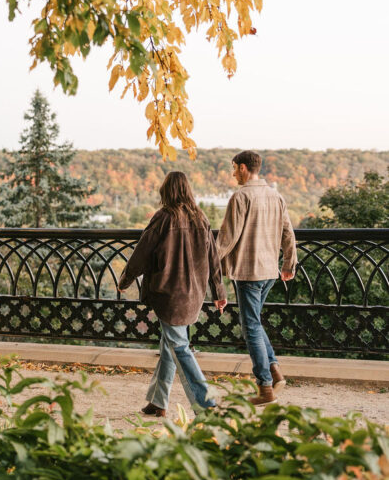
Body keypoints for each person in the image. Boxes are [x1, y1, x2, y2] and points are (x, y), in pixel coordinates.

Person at [118, 171, 227, 417]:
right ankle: (158, 401)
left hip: (169, 292)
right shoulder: (201, 218)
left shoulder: (164, 217)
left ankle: (207, 403)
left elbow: (142, 252)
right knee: (170, 344)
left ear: (165, 191)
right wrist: (218, 291)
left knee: (178, 346)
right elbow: (213, 258)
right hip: (194, 292)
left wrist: (125, 279)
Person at [217, 150, 297, 406]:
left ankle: (264, 387)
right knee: (254, 321)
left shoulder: (241, 197)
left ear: (242, 168)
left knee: (250, 325)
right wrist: (288, 263)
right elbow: (288, 232)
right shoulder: (276, 196)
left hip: (248, 271)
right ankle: (274, 372)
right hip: (269, 271)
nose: (233, 173)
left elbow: (226, 240)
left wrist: (208, 264)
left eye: (233, 168)